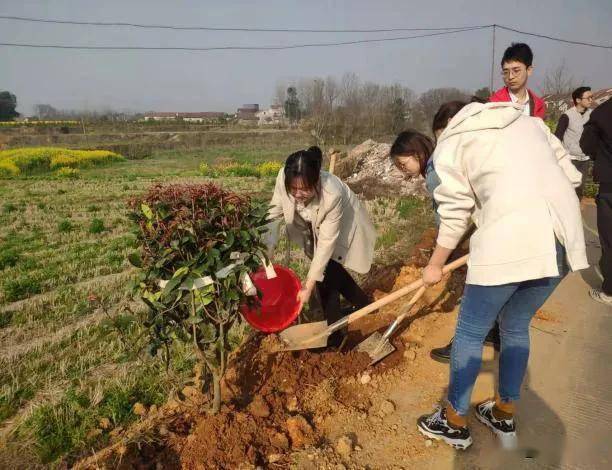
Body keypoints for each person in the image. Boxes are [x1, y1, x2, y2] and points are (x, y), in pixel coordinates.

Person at [415, 101, 587, 450]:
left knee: (470, 330)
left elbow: (454, 212)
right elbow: (573, 177)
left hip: (511, 239)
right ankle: (504, 411)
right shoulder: (530, 124)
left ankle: (453, 421)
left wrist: (435, 265)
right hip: (562, 239)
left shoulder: (452, 141)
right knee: (515, 324)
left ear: (445, 126)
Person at [390, 101, 501, 364]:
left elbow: (454, 216)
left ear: (416, 152)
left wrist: (438, 260)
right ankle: (493, 330)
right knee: (493, 284)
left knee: (476, 288)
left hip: (486, 229)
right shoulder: (445, 162)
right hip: (493, 224)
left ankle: (464, 344)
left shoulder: (436, 170)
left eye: (402, 163)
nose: (401, 170)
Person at [265, 146, 377, 346]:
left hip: (342, 223)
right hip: (310, 221)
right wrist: (266, 256)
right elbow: (273, 216)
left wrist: (308, 286)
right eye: (294, 189)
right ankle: (363, 304)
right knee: (329, 269)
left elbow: (326, 244)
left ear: (316, 182)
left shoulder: (331, 194)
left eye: (305, 189)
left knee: (326, 271)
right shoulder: (283, 177)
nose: (298, 194)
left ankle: (335, 333)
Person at [580, 98, 612, 306]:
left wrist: (600, 155)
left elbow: (587, 144)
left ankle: (609, 291)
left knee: (609, 238)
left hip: (610, 184)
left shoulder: (603, 112)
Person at [555, 86, 594, 199]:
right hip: (570, 158)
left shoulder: (593, 115)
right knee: (568, 188)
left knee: (580, 189)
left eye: (592, 97)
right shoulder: (567, 116)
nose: (591, 100)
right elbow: (557, 137)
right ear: (578, 100)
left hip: (585, 159)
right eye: (588, 98)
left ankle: (577, 214)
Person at [489, 42, 546, 119]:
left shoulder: (539, 105)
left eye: (516, 71)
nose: (510, 77)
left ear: (529, 70)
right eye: (506, 72)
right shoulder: (495, 104)